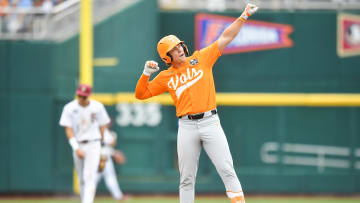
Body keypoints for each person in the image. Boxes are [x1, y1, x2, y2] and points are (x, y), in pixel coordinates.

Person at [135, 3, 258, 203]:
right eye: (173, 49)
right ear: (167, 57)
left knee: (226, 169)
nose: (179, 49)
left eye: (179, 45)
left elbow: (226, 37)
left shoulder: (201, 58)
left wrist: (243, 16)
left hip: (210, 122)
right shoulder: (166, 76)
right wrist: (146, 74)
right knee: (186, 178)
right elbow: (141, 94)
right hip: (186, 126)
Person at [59, 84, 111, 203]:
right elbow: (68, 130)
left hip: (94, 143)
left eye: (84, 96)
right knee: (81, 179)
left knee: (89, 177)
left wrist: (102, 147)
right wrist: (76, 148)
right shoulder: (69, 108)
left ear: (88, 96)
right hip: (78, 144)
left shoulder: (97, 107)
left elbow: (102, 126)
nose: (81, 98)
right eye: (80, 95)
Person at [96, 122, 129, 201]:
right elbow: (109, 144)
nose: (108, 124)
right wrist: (114, 153)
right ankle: (85, 195)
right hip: (101, 158)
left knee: (107, 178)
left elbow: (109, 146)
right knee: (95, 178)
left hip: (103, 158)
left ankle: (118, 196)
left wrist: (114, 153)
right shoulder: (100, 132)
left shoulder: (106, 132)